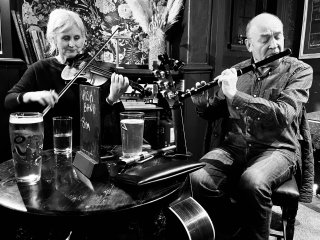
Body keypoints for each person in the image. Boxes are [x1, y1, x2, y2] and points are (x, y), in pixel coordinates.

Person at [189, 13, 313, 240]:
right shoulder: (238, 71)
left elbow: (284, 114)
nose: (274, 45)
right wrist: (202, 105)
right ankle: (230, 228)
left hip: (277, 149)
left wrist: (235, 95)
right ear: (249, 44)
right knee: (197, 176)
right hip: (235, 147)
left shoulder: (300, 71)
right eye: (265, 39)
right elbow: (213, 112)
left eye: (278, 37)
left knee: (252, 181)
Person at [4, 8, 129, 150]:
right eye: (65, 38)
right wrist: (34, 95)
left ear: (83, 38)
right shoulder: (40, 69)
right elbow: (9, 101)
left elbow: (111, 126)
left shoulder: (95, 73)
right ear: (53, 39)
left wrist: (113, 99)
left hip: (90, 150)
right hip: (53, 149)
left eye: (77, 37)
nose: (72, 44)